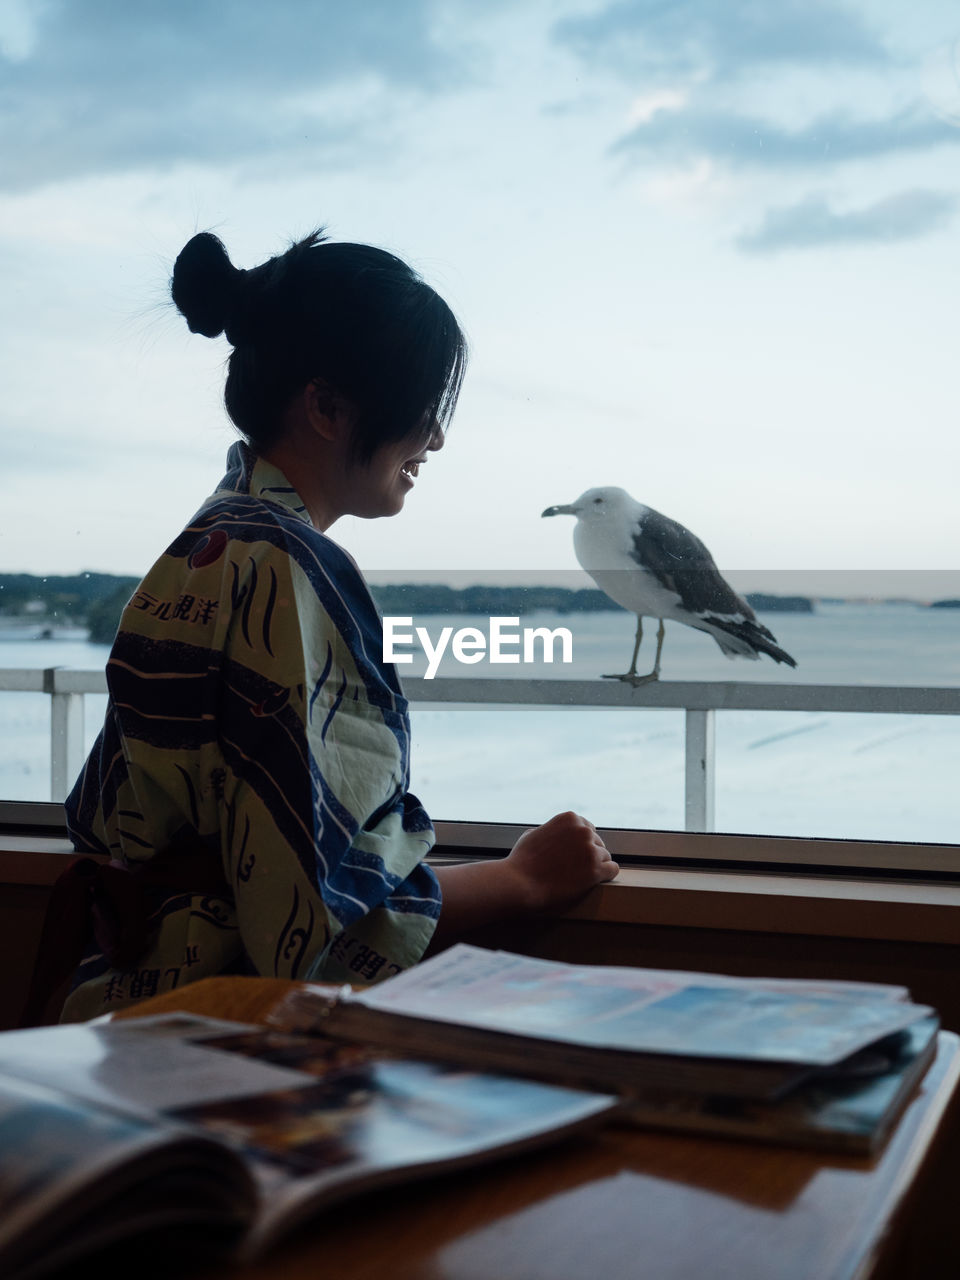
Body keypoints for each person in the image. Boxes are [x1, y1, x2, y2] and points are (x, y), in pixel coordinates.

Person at [54, 229, 619, 1022]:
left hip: (117, 1012)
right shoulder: (294, 571)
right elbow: (320, 914)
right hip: (215, 1038)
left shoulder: (212, 543)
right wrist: (525, 877)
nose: (436, 436)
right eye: (422, 407)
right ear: (325, 406)